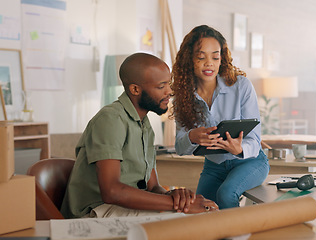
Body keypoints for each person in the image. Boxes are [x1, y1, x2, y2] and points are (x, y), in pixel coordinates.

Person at [61, 52, 218, 218]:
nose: (170, 92)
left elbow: (153, 187)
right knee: (189, 218)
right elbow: (112, 192)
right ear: (135, 89)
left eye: (169, 84)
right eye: (161, 86)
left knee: (203, 211)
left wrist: (178, 198)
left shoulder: (144, 125)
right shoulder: (111, 119)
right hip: (97, 211)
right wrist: (175, 205)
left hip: (123, 206)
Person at [171, 25, 270, 209]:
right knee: (200, 207)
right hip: (213, 167)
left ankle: (239, 237)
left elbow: (255, 141)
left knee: (226, 194)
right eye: (201, 57)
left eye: (215, 57)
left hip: (249, 162)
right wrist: (192, 136)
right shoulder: (182, 96)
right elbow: (179, 147)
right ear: (189, 60)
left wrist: (239, 148)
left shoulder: (241, 86)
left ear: (221, 59)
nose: (209, 63)